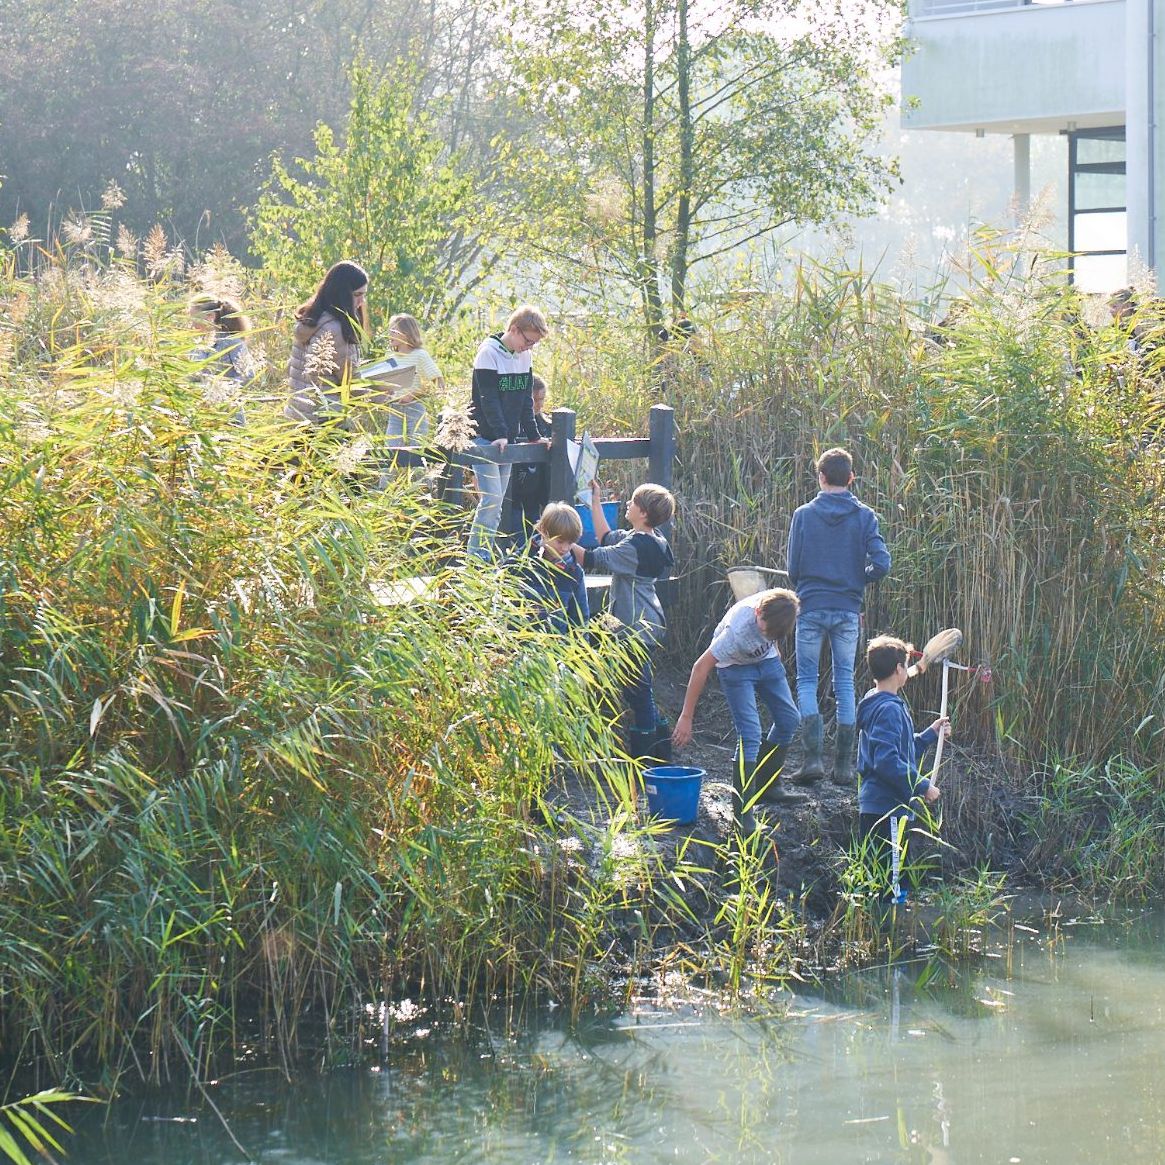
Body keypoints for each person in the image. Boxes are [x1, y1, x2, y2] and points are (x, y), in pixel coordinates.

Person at [787, 447, 890, 786]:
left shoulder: (803, 514)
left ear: (820, 477)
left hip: (811, 605)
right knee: (844, 680)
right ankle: (843, 767)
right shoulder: (865, 516)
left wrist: (809, 584)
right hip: (847, 609)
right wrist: (859, 577)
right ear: (851, 478)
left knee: (806, 680)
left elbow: (793, 569)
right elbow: (882, 564)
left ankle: (812, 759)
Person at [672, 588, 807, 834]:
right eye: (764, 630)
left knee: (789, 719)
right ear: (757, 613)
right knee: (750, 735)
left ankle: (769, 786)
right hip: (735, 668)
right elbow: (700, 668)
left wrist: (774, 649)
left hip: (767, 662)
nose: (765, 634)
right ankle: (743, 816)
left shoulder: (784, 610)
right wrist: (686, 717)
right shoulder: (736, 632)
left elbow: (776, 632)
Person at [573, 479, 674, 758]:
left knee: (639, 692)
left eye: (632, 502)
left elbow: (589, 558)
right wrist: (594, 501)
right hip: (644, 622)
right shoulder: (648, 539)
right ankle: (659, 752)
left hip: (634, 627)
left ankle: (650, 758)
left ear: (642, 513)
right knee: (639, 689)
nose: (627, 504)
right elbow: (605, 537)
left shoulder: (634, 548)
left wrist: (560, 535)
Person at [856, 635, 947, 897]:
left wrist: (929, 734)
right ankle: (890, 933)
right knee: (891, 884)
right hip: (888, 810)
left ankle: (875, 932)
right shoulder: (889, 710)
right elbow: (887, 761)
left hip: (878, 808)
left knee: (878, 879)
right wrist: (922, 785)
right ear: (898, 669)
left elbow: (900, 751)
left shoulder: (876, 701)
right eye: (904, 665)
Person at [467, 306, 549, 559]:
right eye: (527, 340)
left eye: (534, 344)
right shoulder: (488, 353)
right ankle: (476, 557)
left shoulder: (524, 357)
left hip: (507, 441)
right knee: (490, 502)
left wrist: (534, 435)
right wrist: (500, 433)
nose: (529, 347)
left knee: (498, 504)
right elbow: (488, 398)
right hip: (485, 437)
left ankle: (482, 554)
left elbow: (526, 400)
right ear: (514, 330)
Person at [285, 260, 368, 424]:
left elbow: (291, 368)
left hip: (297, 416)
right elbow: (351, 382)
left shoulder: (310, 320)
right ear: (342, 293)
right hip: (325, 419)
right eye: (358, 295)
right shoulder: (336, 329)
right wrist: (382, 396)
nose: (362, 302)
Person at [511, 502, 589, 632]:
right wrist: (531, 547)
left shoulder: (575, 573)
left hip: (557, 647)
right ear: (543, 533)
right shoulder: (524, 563)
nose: (564, 548)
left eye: (570, 543)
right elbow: (502, 576)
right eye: (559, 541)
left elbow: (580, 621)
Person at [380, 313, 445, 447]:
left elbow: (438, 383)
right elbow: (387, 383)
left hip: (415, 409)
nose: (389, 334)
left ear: (407, 333)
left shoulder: (419, 355)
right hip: (395, 410)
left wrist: (413, 395)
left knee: (417, 449)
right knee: (391, 450)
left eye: (394, 331)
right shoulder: (390, 357)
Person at [506, 375, 553, 539]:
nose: (538, 404)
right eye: (534, 399)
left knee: (536, 541)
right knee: (516, 540)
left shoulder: (546, 426)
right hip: (513, 496)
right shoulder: (512, 425)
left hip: (535, 497)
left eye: (542, 399)